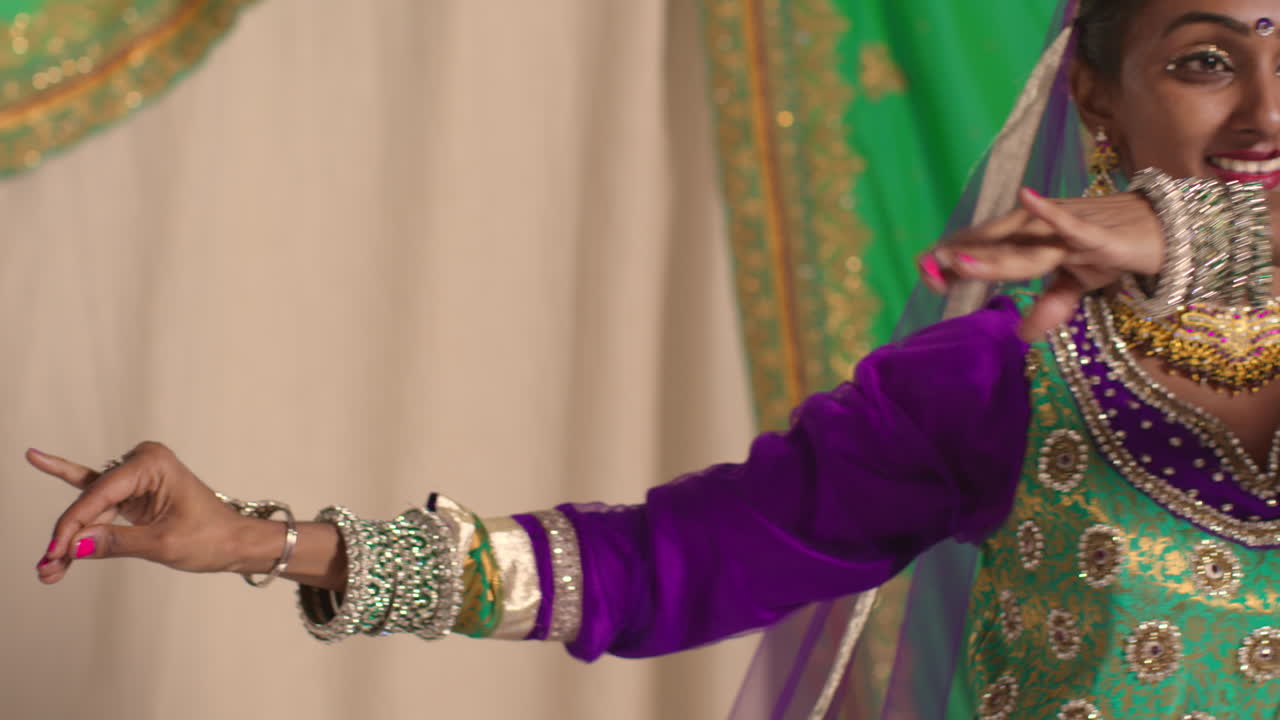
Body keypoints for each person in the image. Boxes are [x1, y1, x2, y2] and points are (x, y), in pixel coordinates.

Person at [28, 0, 1280, 716]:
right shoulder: (992, 387)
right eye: (1205, 60)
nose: (1268, 109)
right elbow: (649, 568)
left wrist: (1203, 236)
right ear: (1097, 102)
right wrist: (268, 542)